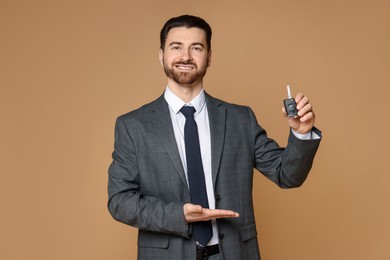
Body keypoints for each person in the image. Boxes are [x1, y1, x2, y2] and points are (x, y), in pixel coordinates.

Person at [107, 14, 321, 260]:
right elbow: (119, 201)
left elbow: (288, 175)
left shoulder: (241, 119)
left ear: (209, 56)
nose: (185, 56)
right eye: (176, 47)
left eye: (196, 48)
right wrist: (179, 215)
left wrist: (301, 133)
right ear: (161, 55)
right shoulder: (133, 125)